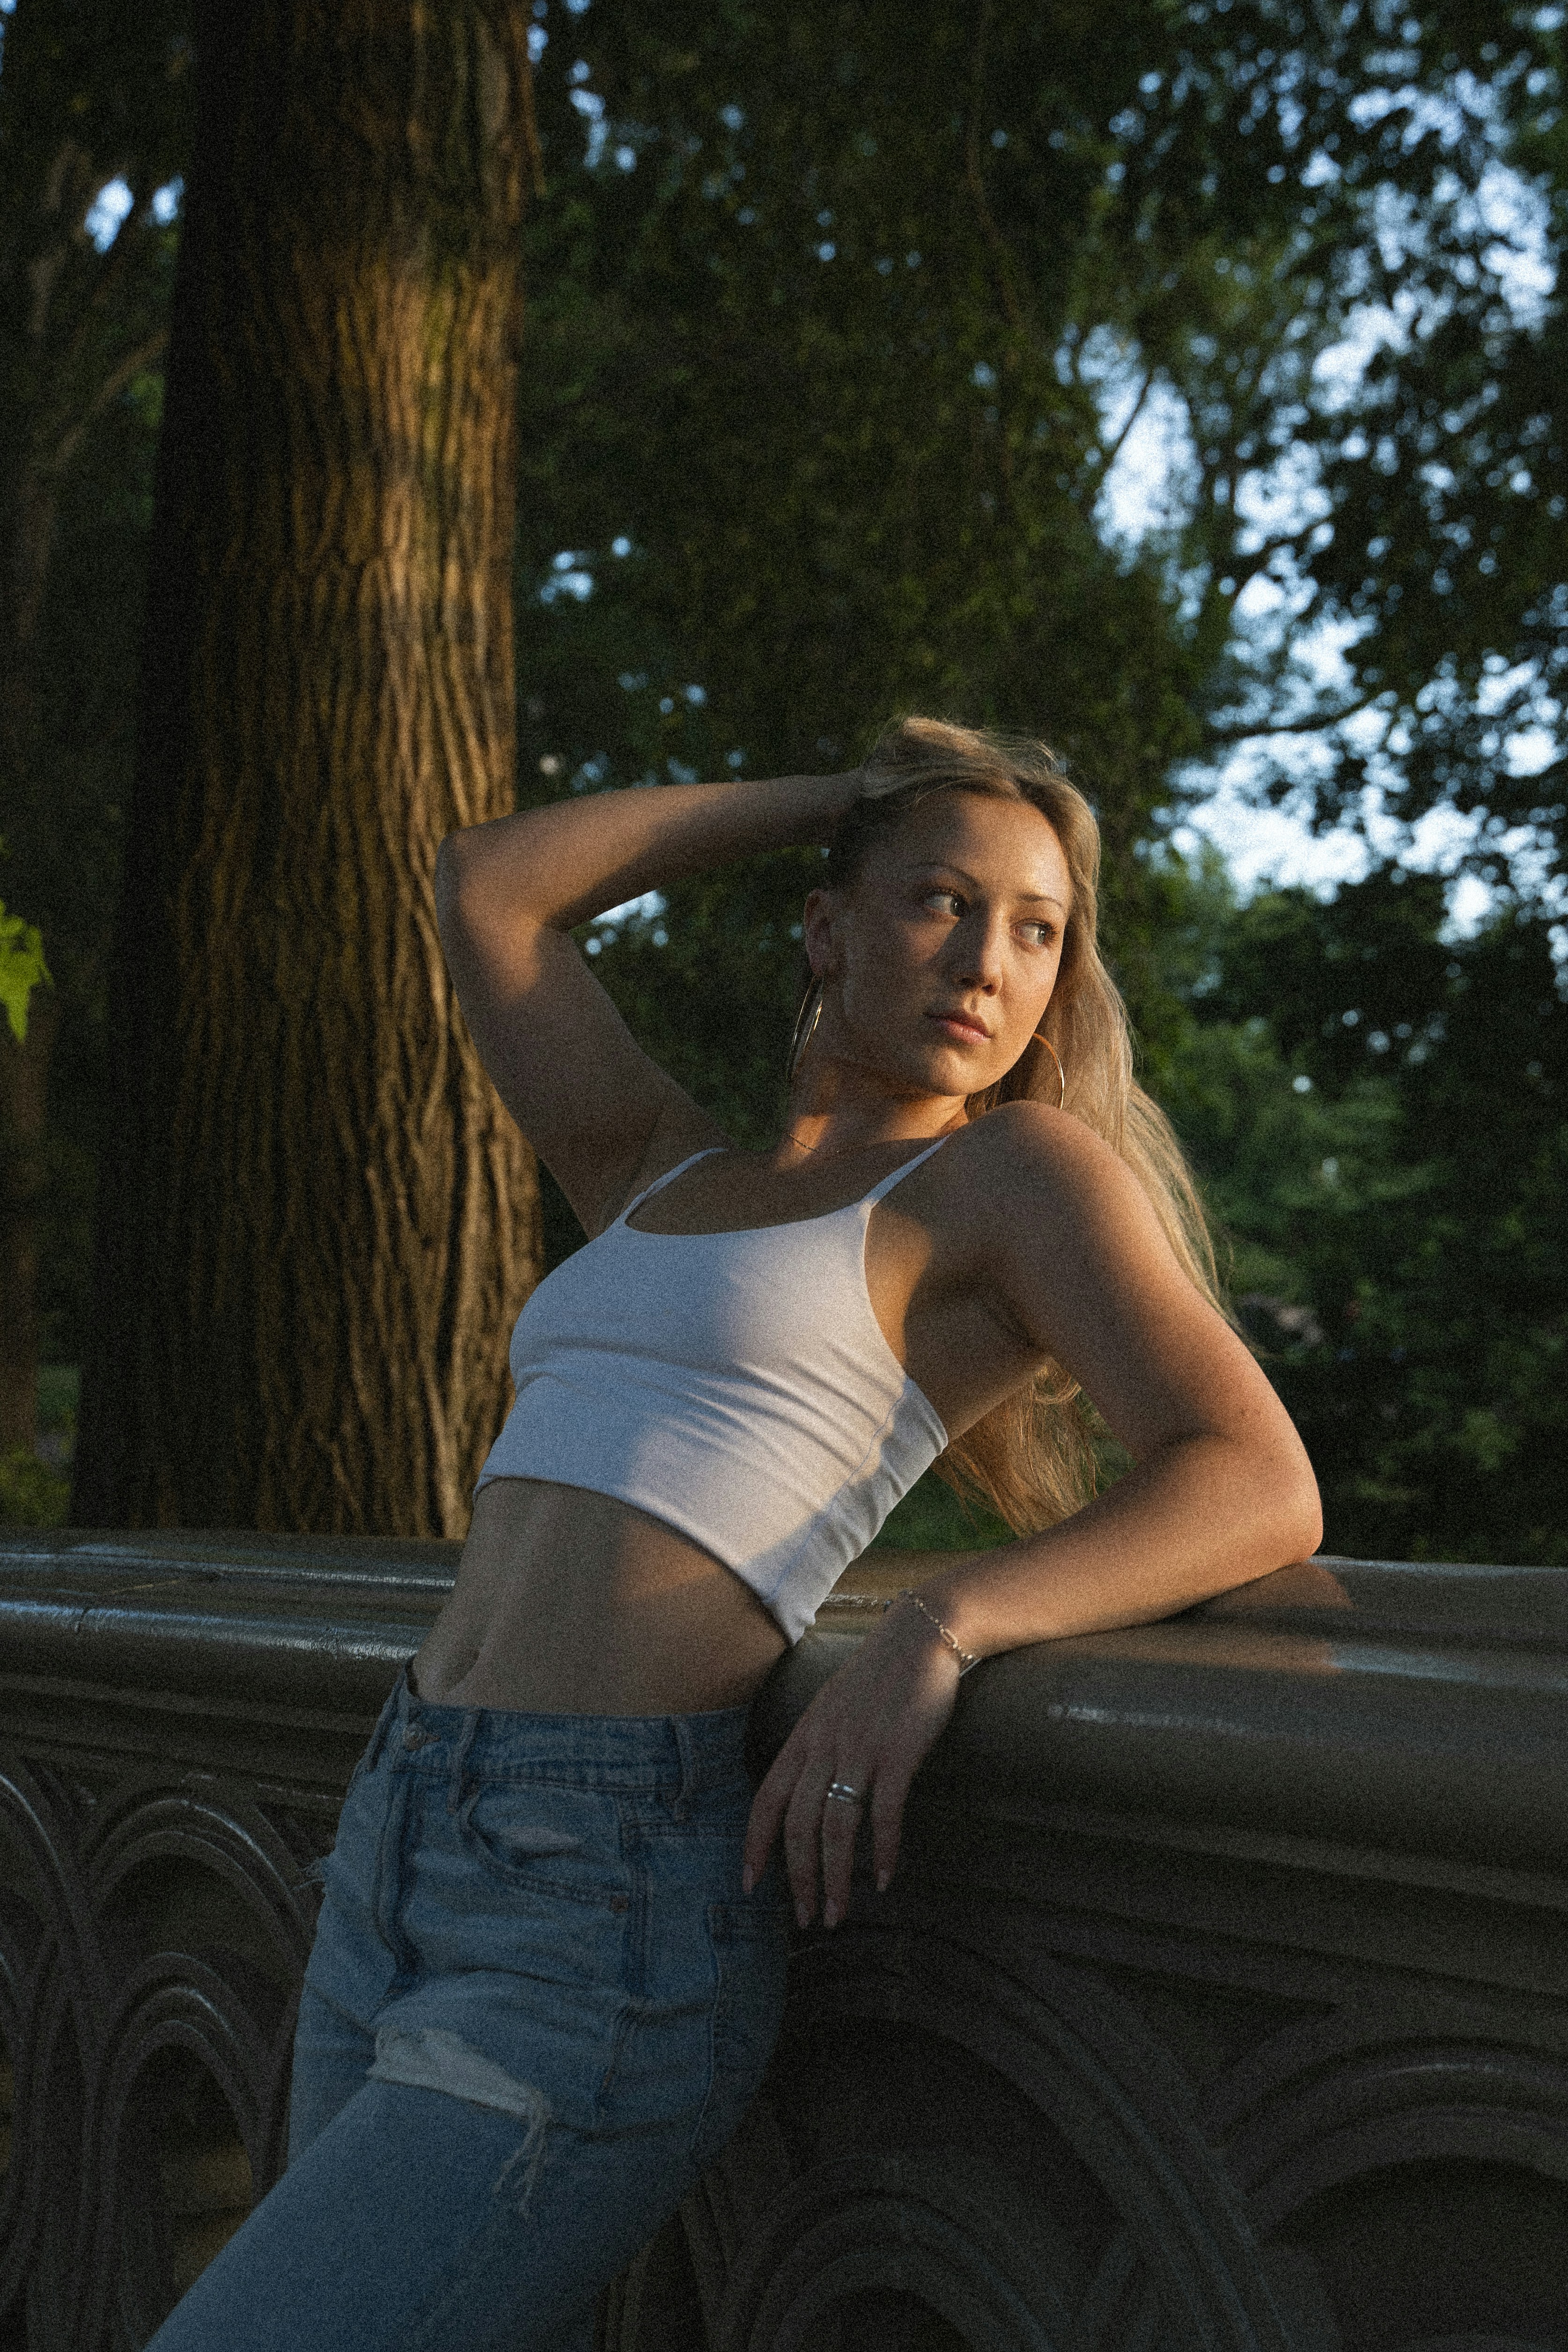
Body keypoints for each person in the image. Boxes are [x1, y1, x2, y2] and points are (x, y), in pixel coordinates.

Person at [145, 717, 1320, 2351]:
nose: (988, 960)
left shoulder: (1003, 1179)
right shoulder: (652, 1163)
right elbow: (492, 886)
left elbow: (1254, 1476)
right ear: (827, 930)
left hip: (602, 1902)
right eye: (939, 899)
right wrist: (850, 797)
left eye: (1039, 929)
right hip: (406, 1818)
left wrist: (945, 1626)